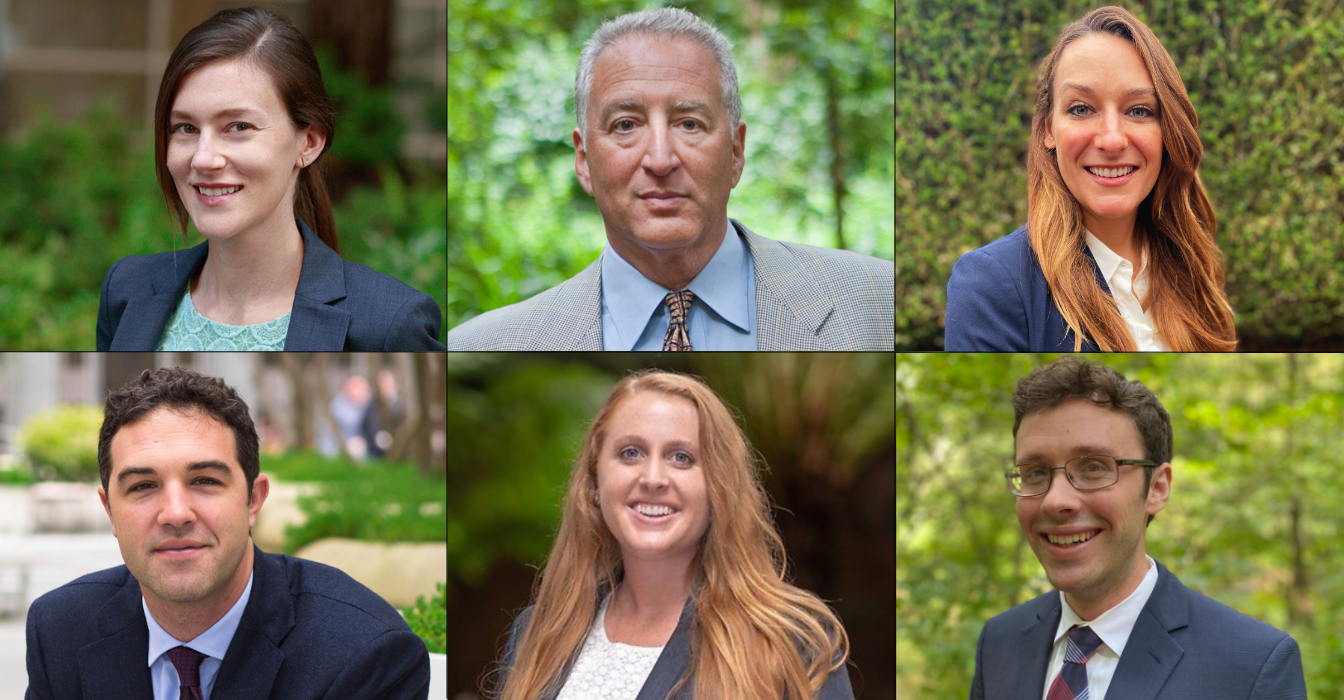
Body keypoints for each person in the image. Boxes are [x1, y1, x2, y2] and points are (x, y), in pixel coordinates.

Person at [448, 8, 893, 351]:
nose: (660, 159)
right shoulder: (483, 344)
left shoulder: (880, 302)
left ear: (735, 152)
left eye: (689, 124)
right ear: (583, 160)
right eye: (625, 125)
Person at [24, 366, 430, 699]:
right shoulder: (59, 629)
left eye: (204, 481)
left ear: (253, 500)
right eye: (143, 486)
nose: (176, 513)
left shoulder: (364, 654)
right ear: (110, 510)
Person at [96, 7, 444, 351]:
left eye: (238, 127)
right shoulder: (127, 290)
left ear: (308, 143)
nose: (203, 158)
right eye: (186, 128)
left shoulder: (390, 325)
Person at [494, 370, 853, 699]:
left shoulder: (791, 641)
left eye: (681, 457)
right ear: (594, 482)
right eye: (630, 453)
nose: (653, 478)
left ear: (719, 486)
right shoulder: (537, 633)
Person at [969, 357, 1305, 699]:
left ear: (1157, 488)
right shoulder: (999, 642)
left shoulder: (1253, 666)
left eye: (1094, 468)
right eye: (1035, 472)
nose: (1055, 500)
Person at [945, 6, 1236, 352]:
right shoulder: (990, 283)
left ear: (1167, 131)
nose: (1112, 140)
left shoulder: (1194, 271)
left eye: (1139, 110)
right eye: (1081, 109)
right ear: (1048, 129)